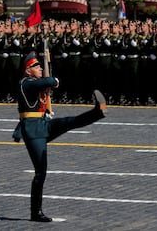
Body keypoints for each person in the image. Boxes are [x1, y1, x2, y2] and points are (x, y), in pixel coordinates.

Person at [12, 51, 107, 222]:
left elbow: (45, 84)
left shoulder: (35, 83)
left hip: (43, 124)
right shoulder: (25, 83)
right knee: (41, 172)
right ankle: (36, 212)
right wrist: (53, 81)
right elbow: (49, 81)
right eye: (36, 66)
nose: (40, 68)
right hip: (32, 131)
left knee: (69, 122)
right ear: (27, 70)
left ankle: (97, 112)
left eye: (41, 65)